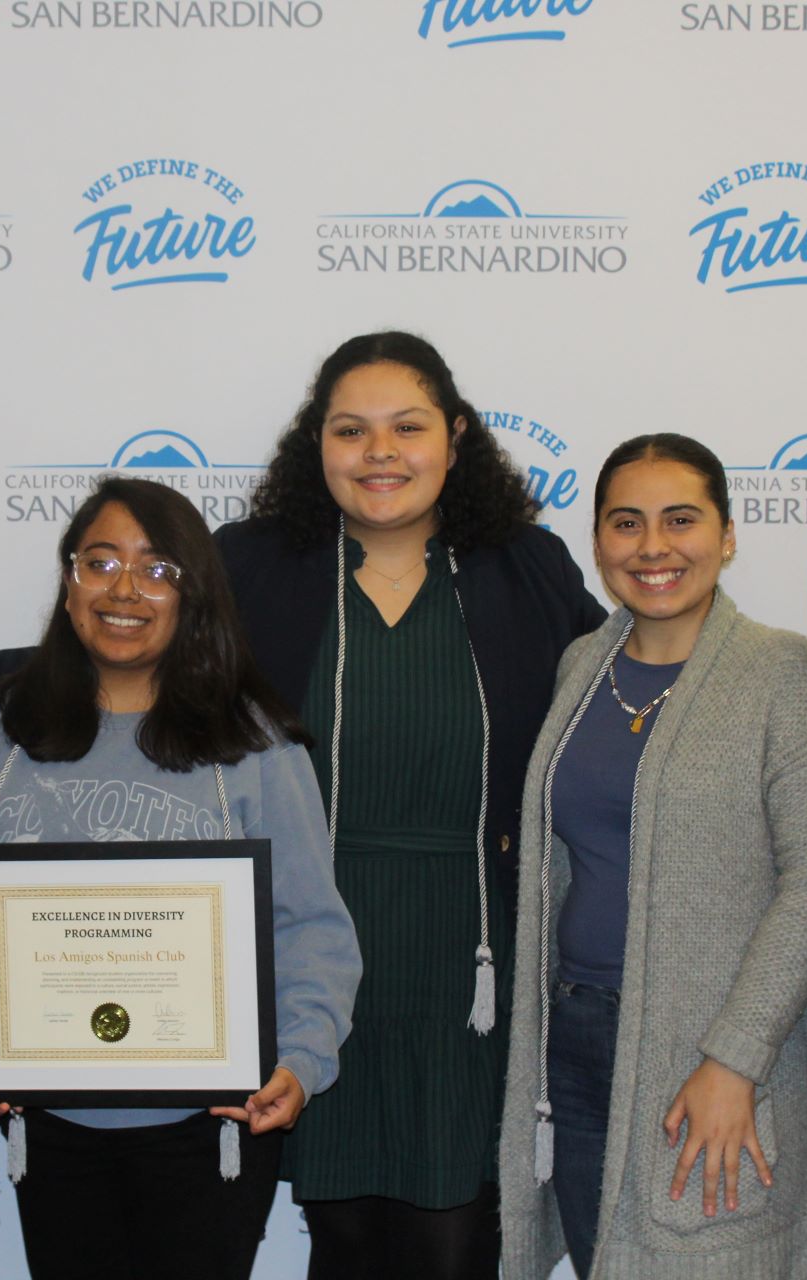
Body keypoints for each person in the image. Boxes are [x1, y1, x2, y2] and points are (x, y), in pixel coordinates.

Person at [217, 331, 604, 1279]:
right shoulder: (249, 566)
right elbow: (133, 675)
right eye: (351, 430)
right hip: (313, 956)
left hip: (472, 958)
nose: (379, 452)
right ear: (317, 446)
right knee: (341, 1232)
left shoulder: (528, 568)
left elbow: (626, 694)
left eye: (407, 427)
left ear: (456, 436)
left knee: (457, 1235)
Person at [0, 476, 361, 1280]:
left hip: (207, 1124)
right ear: (69, 585)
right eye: (99, 563)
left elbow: (311, 923)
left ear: (192, 595)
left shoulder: (255, 742)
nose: (125, 590)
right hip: (52, 1120)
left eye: (157, 569)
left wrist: (302, 1059)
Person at [498, 433, 807, 1279]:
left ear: (726, 535)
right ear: (599, 542)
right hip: (574, 1038)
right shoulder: (584, 665)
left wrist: (735, 1058)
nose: (653, 547)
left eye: (680, 520)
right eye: (626, 523)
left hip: (708, 1051)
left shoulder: (782, 674)